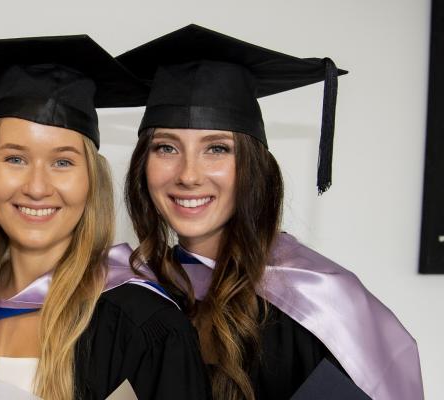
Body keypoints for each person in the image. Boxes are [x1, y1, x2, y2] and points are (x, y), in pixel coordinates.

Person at [120, 24, 423, 400]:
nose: (188, 175)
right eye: (167, 148)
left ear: (253, 166)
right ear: (142, 166)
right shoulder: (128, 291)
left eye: (217, 148)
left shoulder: (314, 304)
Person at [0, 35, 210, 400]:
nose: (37, 187)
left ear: (90, 181)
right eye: (15, 158)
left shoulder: (144, 325)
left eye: (62, 162)